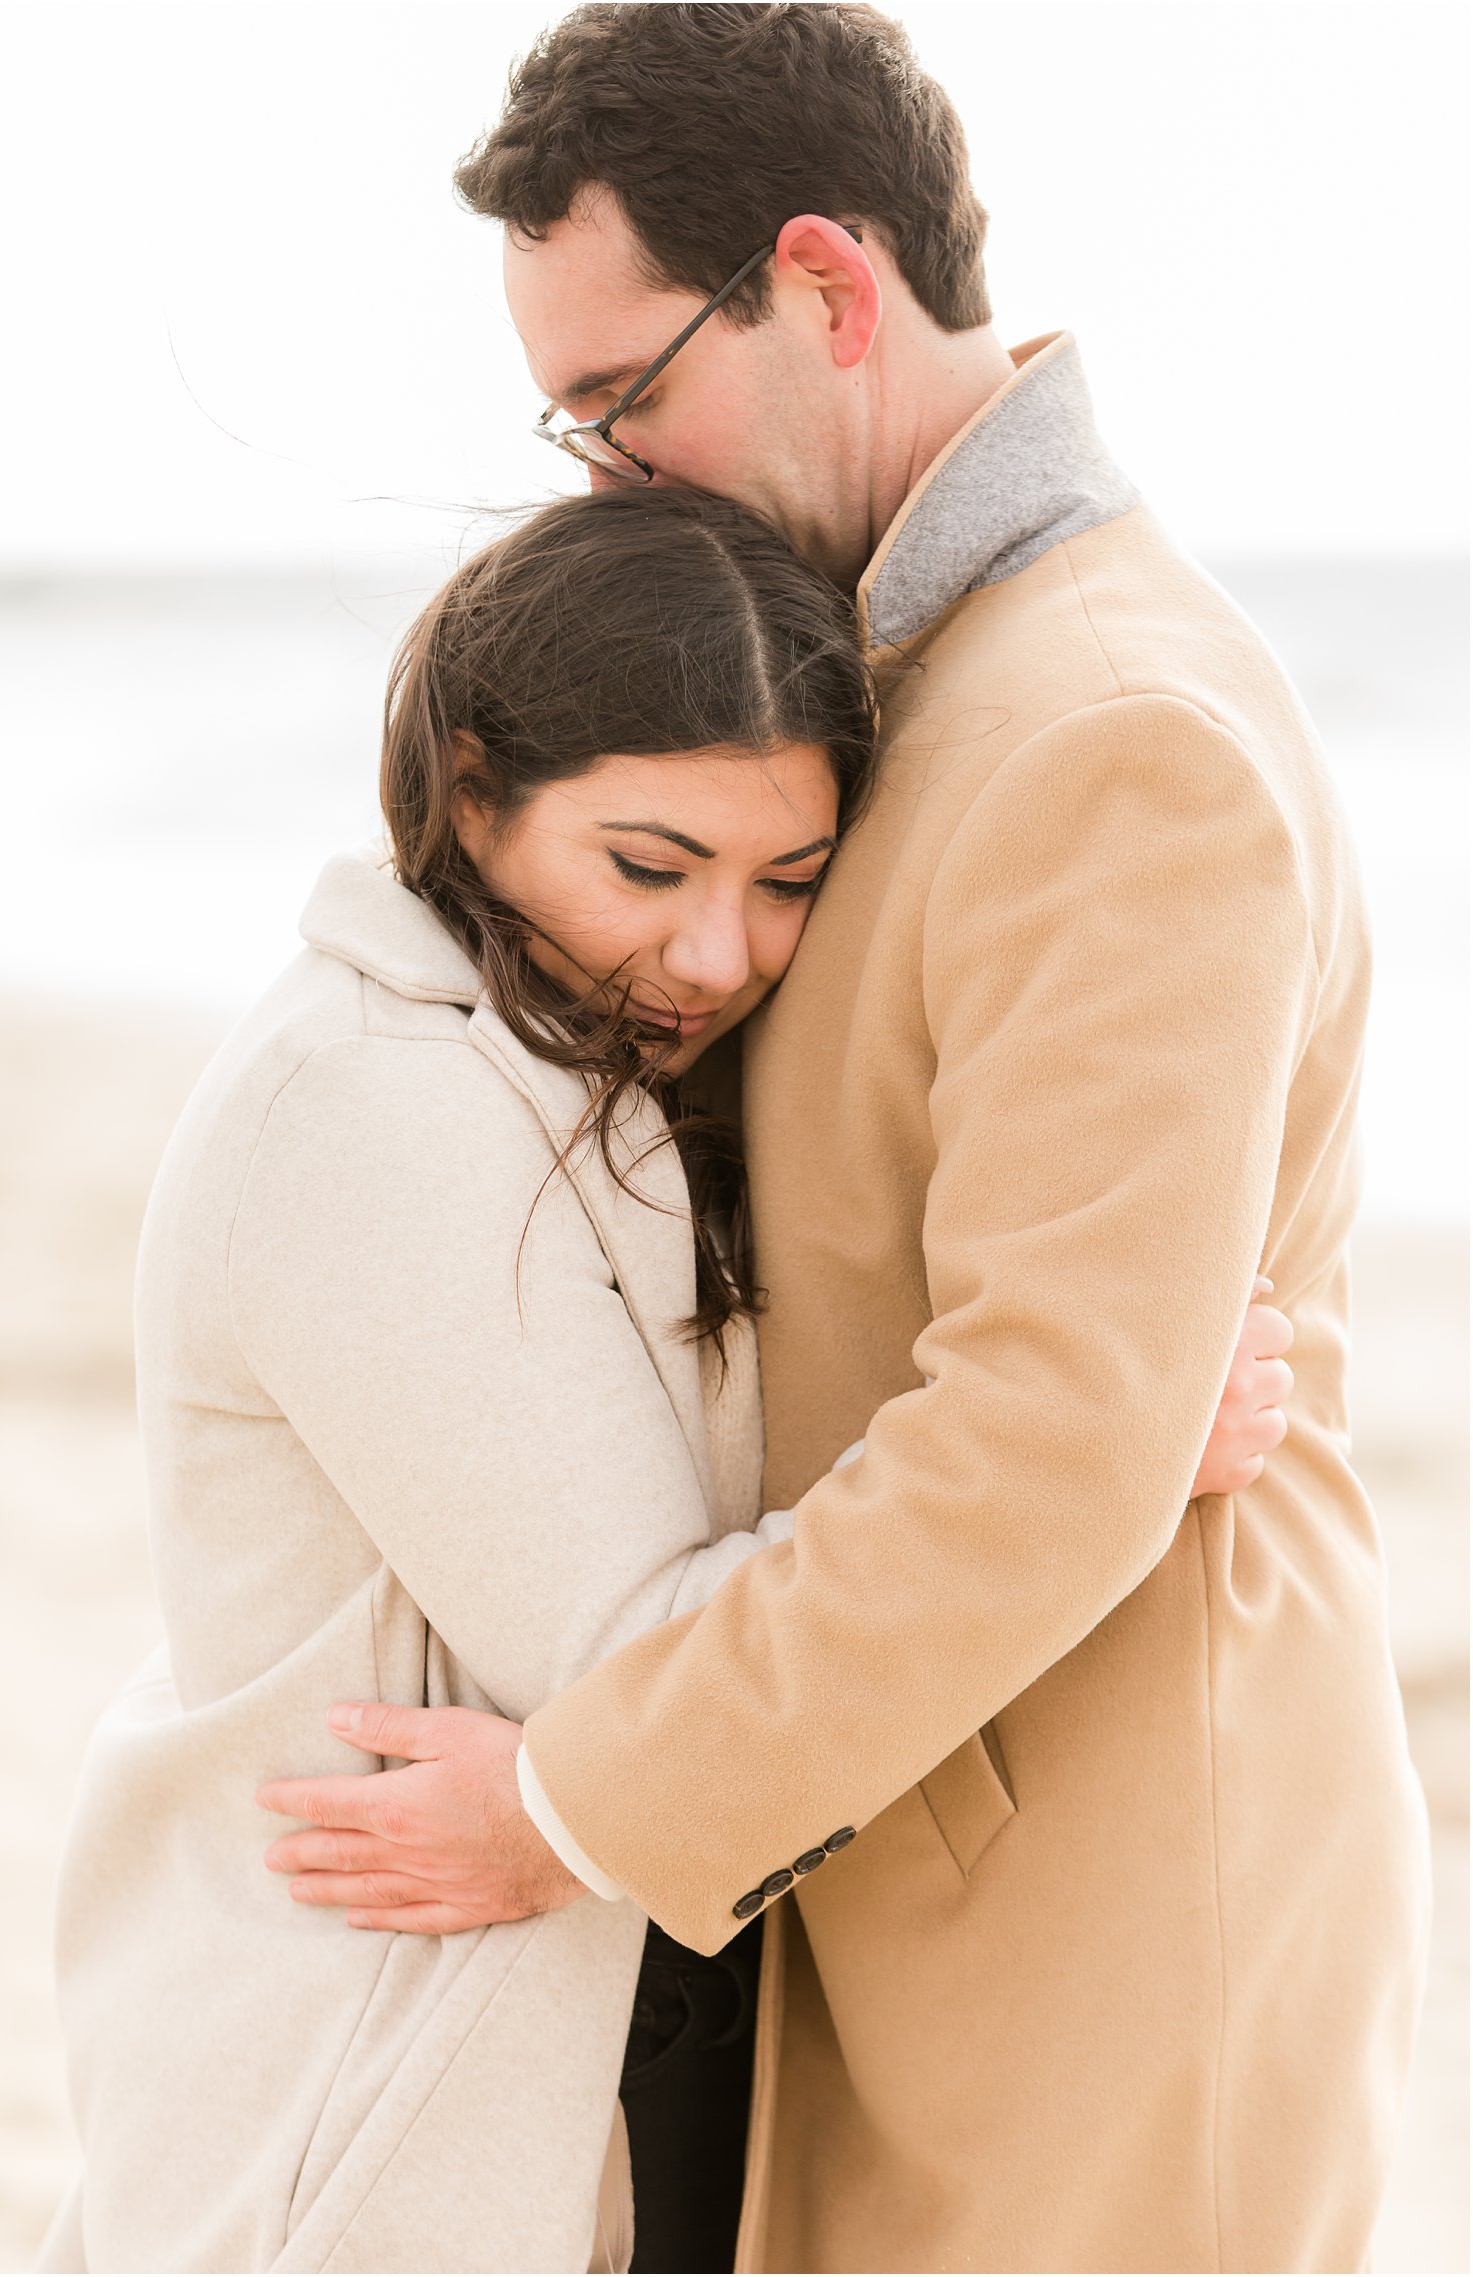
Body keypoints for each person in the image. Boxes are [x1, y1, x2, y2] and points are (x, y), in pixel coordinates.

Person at [261, 7, 1432, 2273]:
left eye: (625, 401)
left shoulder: (1110, 733)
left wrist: (575, 1803)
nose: (607, 478)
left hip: (1094, 1910)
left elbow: (1049, 1433)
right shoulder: (893, 672)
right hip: (892, 1850)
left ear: (823, 280)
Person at [37, 487, 1281, 2277]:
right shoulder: (373, 1107)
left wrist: (1104, 1371)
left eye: (790, 883)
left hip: (606, 2046)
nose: (717, 953)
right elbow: (638, 1658)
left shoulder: (588, 1063)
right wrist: (1098, 1432)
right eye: (648, 864)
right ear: (473, 795)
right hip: (372, 2088)